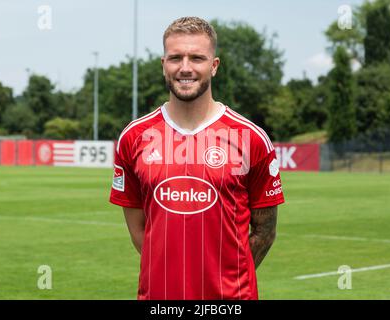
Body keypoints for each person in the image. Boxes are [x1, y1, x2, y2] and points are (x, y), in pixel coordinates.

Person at [110, 16, 285, 300]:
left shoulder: (250, 137)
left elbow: (265, 231)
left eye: (197, 58)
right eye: (175, 58)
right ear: (163, 64)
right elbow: (139, 230)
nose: (185, 68)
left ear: (214, 66)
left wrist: (226, 281)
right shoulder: (134, 137)